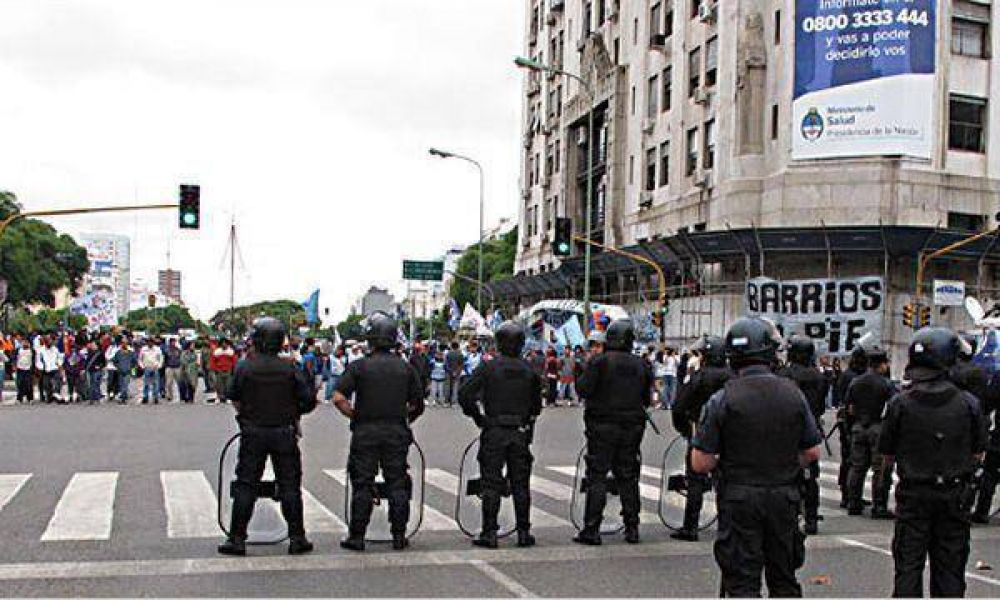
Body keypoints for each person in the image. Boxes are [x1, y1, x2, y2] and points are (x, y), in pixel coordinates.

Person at [691, 317, 822, 597]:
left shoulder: (722, 399)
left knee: (742, 583)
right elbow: (812, 451)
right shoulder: (793, 395)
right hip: (783, 497)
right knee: (784, 580)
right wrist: (783, 460)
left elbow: (700, 461)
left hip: (739, 498)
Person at [879, 327, 988, 597]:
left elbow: (887, 454)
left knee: (908, 567)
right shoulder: (968, 404)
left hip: (914, 494)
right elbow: (978, 452)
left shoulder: (900, 403)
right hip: (953, 494)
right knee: (950, 571)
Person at [218, 317, 317, 557]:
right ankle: (297, 538)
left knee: (246, 485)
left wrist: (247, 414)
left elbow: (234, 396)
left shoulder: (244, 366)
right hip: (284, 431)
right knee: (290, 485)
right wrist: (293, 412)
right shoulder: (291, 367)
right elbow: (308, 401)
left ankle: (237, 538)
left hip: (253, 431)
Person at [333, 312, 425, 552]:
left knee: (362, 483)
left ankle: (357, 536)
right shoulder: (406, 368)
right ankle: (399, 536)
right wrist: (404, 419)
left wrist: (355, 415)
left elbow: (338, 397)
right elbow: (417, 404)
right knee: (397, 483)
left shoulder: (359, 366)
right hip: (396, 432)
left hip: (365, 432)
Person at [458, 321, 543, 549]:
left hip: (494, 430)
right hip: (519, 432)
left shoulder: (488, 367)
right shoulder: (529, 371)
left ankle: (490, 532)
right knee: (520, 484)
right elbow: (536, 407)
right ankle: (523, 532)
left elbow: (465, 394)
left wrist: (478, 417)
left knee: (491, 483)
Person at [573, 318, 653, 545]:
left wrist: (581, 372)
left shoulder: (599, 362)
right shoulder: (641, 365)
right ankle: (632, 527)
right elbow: (646, 398)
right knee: (628, 476)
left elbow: (584, 390)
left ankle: (592, 529)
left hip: (602, 426)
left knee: (597, 476)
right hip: (632, 427)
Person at [669, 335, 730, 542]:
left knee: (695, 480)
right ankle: (726, 525)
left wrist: (685, 429)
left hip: (701, 432)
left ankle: (691, 527)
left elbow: (679, 406)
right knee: (725, 481)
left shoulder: (699, 377)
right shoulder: (734, 377)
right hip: (729, 436)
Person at [776, 335, 830, 535]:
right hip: (809, 428)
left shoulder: (783, 375)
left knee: (785, 476)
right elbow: (822, 405)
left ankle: (789, 516)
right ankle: (811, 518)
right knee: (810, 477)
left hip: (785, 431)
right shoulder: (819, 377)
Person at [844, 345, 896, 518]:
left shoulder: (855, 382)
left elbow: (849, 408)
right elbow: (892, 409)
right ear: (882, 364)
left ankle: (853, 502)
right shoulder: (886, 384)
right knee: (880, 469)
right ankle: (879, 505)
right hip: (877, 427)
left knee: (857, 467)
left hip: (859, 425)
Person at [833, 345, 867, 507]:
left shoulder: (847, 375)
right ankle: (849, 494)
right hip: (852, 420)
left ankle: (848, 493)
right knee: (853, 460)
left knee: (848, 458)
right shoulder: (855, 377)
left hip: (846, 420)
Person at [35, 335, 62, 404]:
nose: (50, 342)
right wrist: (41, 367)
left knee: (57, 383)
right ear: (45, 342)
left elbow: (59, 357)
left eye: (50, 340)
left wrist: (59, 364)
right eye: (48, 340)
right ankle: (49, 397)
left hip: (54, 368)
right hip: (46, 369)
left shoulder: (55, 349)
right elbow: (38, 360)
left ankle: (57, 396)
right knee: (46, 384)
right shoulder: (41, 350)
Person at [139, 338, 163, 404]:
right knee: (146, 384)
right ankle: (145, 397)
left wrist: (159, 366)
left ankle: (155, 398)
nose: (150, 343)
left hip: (155, 368)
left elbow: (161, 358)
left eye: (151, 342)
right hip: (147, 367)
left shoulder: (157, 349)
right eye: (149, 342)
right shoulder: (143, 349)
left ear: (153, 343)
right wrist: (142, 366)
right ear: (147, 342)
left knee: (156, 384)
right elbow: (140, 359)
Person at [84, 339, 107, 404]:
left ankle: (96, 398)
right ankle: (93, 398)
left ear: (97, 346)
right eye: (92, 345)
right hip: (90, 370)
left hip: (97, 371)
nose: (92, 346)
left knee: (95, 384)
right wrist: (85, 368)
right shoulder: (90, 353)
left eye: (93, 345)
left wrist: (99, 366)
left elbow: (104, 363)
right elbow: (87, 362)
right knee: (91, 385)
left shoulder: (100, 353)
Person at [14, 335, 33, 403]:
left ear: (29, 343)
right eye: (23, 342)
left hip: (28, 369)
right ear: (22, 343)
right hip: (20, 369)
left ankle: (30, 398)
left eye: (26, 342)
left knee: (29, 384)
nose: (25, 343)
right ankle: (19, 398)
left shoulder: (32, 350)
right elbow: (14, 358)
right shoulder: (18, 350)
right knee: (20, 384)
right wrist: (14, 366)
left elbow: (34, 360)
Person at [163, 338, 182, 403]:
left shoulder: (178, 350)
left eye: (174, 342)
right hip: (169, 367)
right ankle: (169, 395)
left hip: (177, 367)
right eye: (172, 342)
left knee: (180, 382)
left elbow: (180, 358)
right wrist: (164, 366)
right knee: (169, 383)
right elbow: (164, 358)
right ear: (170, 342)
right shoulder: (166, 350)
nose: (173, 343)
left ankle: (182, 395)